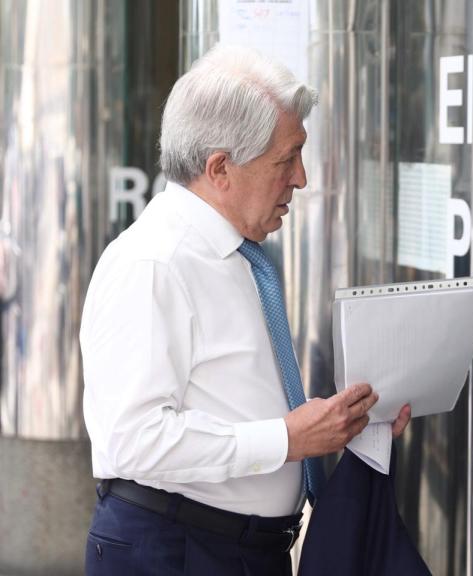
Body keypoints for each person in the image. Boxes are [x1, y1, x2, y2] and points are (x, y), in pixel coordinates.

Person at [80, 45, 411, 575]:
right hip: (177, 551)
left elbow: (236, 399)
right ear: (220, 169)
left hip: (239, 550)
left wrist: (339, 425)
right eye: (286, 159)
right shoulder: (152, 263)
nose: (301, 179)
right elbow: (132, 440)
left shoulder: (237, 254)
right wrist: (287, 438)